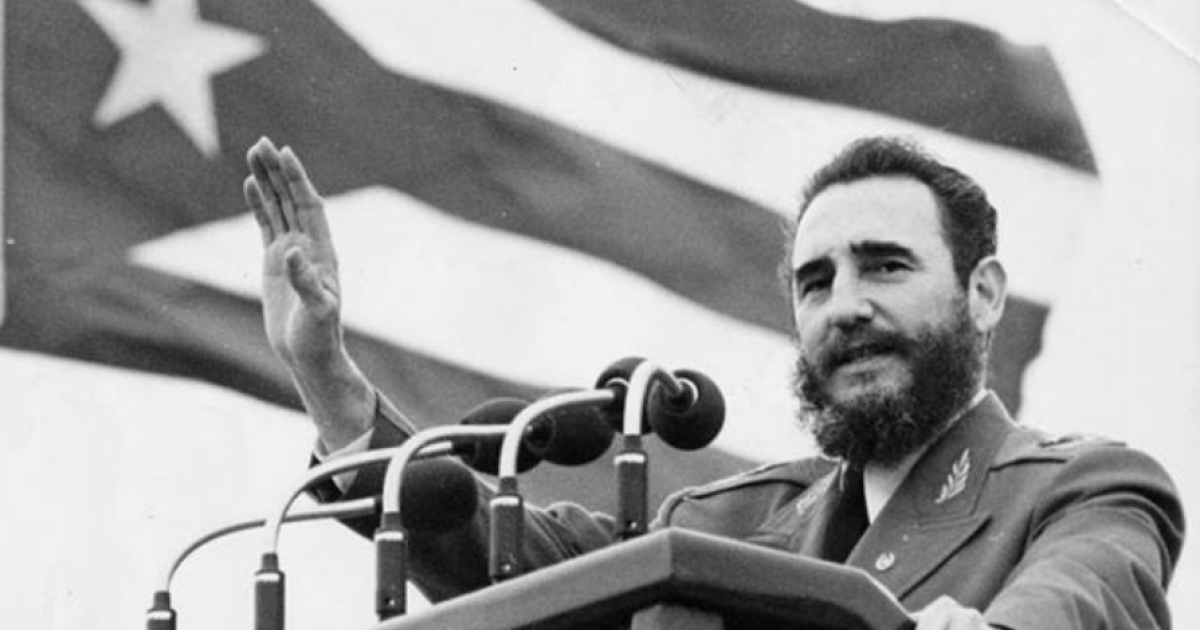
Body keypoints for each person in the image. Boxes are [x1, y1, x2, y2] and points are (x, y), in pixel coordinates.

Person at [243, 135, 1184, 629]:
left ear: (983, 295)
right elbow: (499, 559)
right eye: (815, 283)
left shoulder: (1084, 489)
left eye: (886, 267)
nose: (843, 306)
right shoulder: (725, 522)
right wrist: (326, 376)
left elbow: (1084, 597)